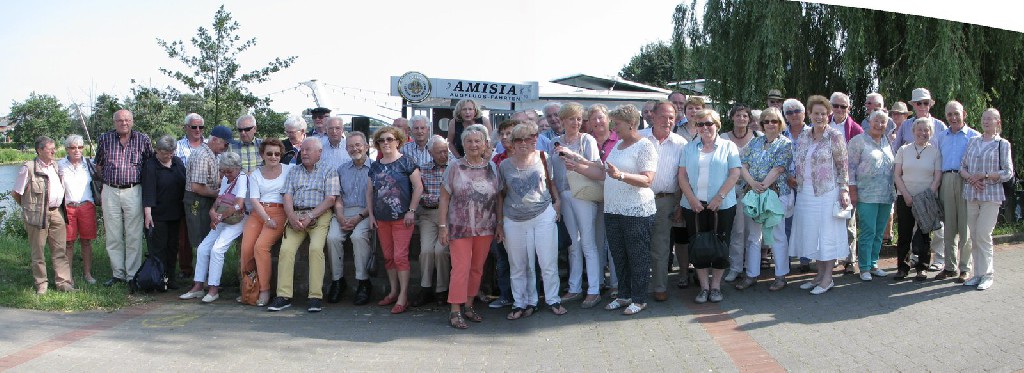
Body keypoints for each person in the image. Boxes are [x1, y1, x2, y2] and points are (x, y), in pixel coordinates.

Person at [565, 105, 656, 315]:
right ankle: (624, 295)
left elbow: (648, 179)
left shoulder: (645, 146)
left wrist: (621, 176)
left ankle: (639, 298)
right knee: (618, 254)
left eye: (617, 124)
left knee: (638, 255)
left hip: (637, 210)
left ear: (631, 124)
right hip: (613, 209)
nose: (614, 128)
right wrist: (579, 162)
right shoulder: (619, 145)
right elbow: (604, 171)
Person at [498, 122, 565, 319]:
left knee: (547, 261)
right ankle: (522, 303)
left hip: (542, 214)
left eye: (527, 139)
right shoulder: (504, 165)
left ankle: (553, 299)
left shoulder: (544, 158)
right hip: (514, 218)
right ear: (511, 143)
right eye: (518, 139)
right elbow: (500, 195)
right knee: (518, 264)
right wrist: (500, 222)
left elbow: (551, 183)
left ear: (534, 140)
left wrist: (557, 203)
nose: (523, 143)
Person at [267, 138, 339, 313]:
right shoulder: (294, 171)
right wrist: (291, 216)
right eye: (303, 150)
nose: (304, 153)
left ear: (319, 153)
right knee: (286, 250)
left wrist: (311, 216)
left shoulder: (330, 170)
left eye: (308, 150)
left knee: (315, 249)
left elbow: (330, 198)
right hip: (296, 215)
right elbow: (287, 196)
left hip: (319, 215)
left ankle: (315, 297)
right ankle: (283, 296)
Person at [677, 109, 741, 303]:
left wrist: (719, 198)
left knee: (721, 245)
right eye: (700, 124)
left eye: (709, 123)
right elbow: (682, 176)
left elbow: (734, 174)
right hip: (694, 206)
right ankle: (704, 287)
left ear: (717, 125)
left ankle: (716, 287)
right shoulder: (688, 148)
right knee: (698, 245)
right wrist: (692, 200)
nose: (705, 128)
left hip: (722, 206)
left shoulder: (729, 146)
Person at [439, 124, 500, 329]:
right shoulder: (454, 167)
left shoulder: (492, 167)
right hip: (460, 227)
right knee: (461, 268)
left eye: (477, 141)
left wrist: (499, 224)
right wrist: (442, 225)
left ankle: (469, 305)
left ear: (484, 144)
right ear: (463, 144)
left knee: (476, 269)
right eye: (469, 141)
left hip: (486, 227)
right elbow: (445, 198)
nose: (473, 145)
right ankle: (455, 310)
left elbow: (499, 198)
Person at [790, 95, 851, 295]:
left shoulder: (834, 136)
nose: (819, 117)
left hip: (827, 192)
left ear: (829, 115)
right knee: (812, 234)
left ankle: (827, 278)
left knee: (827, 235)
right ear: (809, 114)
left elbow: (843, 166)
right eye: (816, 113)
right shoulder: (805, 136)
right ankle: (818, 276)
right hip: (806, 191)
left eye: (823, 114)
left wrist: (843, 189)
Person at [547, 102, 602, 308]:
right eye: (572, 118)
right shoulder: (554, 142)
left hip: (583, 193)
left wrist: (576, 161)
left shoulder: (587, 139)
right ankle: (574, 287)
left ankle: (594, 290)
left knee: (588, 242)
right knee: (573, 244)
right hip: (564, 193)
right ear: (562, 120)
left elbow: (596, 166)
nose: (576, 123)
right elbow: (551, 173)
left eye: (579, 119)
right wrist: (556, 198)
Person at [178, 152, 248, 303]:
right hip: (223, 216)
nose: (226, 174)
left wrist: (219, 216)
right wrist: (212, 212)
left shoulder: (242, 178)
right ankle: (197, 286)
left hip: (237, 219)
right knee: (203, 248)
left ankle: (213, 288)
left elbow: (239, 204)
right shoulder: (226, 179)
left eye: (229, 171)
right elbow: (219, 199)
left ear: (237, 168)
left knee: (217, 249)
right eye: (223, 171)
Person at [735, 108, 792, 291]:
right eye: (766, 121)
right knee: (754, 236)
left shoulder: (785, 144)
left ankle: (781, 276)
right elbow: (742, 165)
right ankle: (751, 274)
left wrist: (763, 186)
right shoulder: (755, 142)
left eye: (774, 121)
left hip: (775, 194)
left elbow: (778, 169)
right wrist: (753, 184)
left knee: (777, 235)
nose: (770, 124)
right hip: (755, 193)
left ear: (780, 123)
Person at [367, 127, 423, 314]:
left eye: (389, 139)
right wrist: (371, 215)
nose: (385, 143)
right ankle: (393, 291)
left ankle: (403, 296)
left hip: (402, 218)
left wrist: (411, 210)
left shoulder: (406, 162)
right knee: (389, 257)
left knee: (400, 257)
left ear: (398, 141)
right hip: (382, 219)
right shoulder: (375, 165)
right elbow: (369, 192)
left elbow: (418, 187)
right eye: (381, 140)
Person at [95, 109, 154, 287]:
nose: (124, 123)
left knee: (134, 234)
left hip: (134, 190)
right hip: (110, 190)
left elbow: (149, 167)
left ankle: (132, 275)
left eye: (127, 120)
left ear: (132, 121)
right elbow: (98, 165)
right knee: (113, 234)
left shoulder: (142, 140)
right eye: (120, 120)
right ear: (114, 122)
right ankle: (118, 274)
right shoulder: (104, 139)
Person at [635, 101, 687, 300]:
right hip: (638, 198)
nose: (668, 121)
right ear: (653, 117)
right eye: (664, 116)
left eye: (672, 117)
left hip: (666, 200)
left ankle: (659, 287)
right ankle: (637, 287)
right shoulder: (639, 139)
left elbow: (683, 178)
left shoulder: (681, 144)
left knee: (661, 246)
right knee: (638, 245)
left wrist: (679, 205)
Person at [892, 88, 947, 271]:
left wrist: (932, 190)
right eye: (918, 103)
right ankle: (908, 263)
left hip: (930, 185)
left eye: (925, 102)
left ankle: (938, 259)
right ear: (913, 105)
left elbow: (944, 153)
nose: (922, 106)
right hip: (907, 187)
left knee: (931, 228)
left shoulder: (940, 125)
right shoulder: (906, 125)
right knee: (907, 231)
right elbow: (896, 147)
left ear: (930, 104)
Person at [959, 108, 1013, 290]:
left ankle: (988, 274)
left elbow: (1008, 172)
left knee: (983, 233)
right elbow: (962, 166)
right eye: (984, 118)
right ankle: (978, 273)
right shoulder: (973, 141)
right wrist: (971, 178)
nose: (986, 122)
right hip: (972, 193)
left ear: (998, 122)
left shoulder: (1002, 144)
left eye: (990, 119)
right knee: (974, 235)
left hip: (991, 194)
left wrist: (986, 175)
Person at [13, 136, 74, 294]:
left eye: (54, 148)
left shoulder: (54, 166)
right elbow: (16, 193)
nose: (54, 151)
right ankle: (41, 284)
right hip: (37, 215)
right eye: (50, 148)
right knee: (38, 252)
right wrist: (29, 208)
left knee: (60, 250)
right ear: (39, 150)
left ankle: (64, 283)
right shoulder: (29, 168)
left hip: (57, 213)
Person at [239, 137, 292, 306]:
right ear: (262, 155)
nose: (273, 157)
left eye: (277, 153)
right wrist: (266, 219)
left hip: (279, 211)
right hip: (259, 212)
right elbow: (254, 200)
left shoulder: (289, 170)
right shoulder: (256, 174)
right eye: (269, 153)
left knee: (260, 247)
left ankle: (264, 290)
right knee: (246, 249)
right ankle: (249, 289)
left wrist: (271, 219)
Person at [326, 132, 374, 305]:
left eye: (358, 145)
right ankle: (338, 281)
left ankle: (363, 281)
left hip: (366, 211)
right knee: (332, 237)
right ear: (346, 150)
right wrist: (339, 215)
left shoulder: (375, 168)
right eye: (351, 146)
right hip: (343, 211)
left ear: (366, 147)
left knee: (358, 237)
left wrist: (359, 217)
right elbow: (337, 197)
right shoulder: (342, 169)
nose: (355, 149)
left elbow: (375, 200)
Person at [848, 110, 896, 281]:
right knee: (868, 231)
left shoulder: (887, 142)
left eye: (883, 122)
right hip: (866, 194)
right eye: (876, 121)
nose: (879, 125)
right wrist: (852, 191)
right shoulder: (858, 141)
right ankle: (864, 267)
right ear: (869, 121)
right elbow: (850, 168)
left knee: (879, 232)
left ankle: (874, 264)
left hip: (886, 194)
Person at [936, 101, 980, 282]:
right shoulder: (941, 137)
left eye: (956, 114)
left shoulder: (974, 136)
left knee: (965, 227)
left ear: (964, 114)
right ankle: (949, 267)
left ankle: (965, 268)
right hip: (946, 180)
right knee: (949, 227)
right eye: (949, 114)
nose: (953, 118)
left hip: (966, 181)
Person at [183, 125, 232, 276]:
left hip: (205, 199)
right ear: (215, 140)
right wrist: (218, 195)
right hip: (198, 200)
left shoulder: (211, 154)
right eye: (225, 144)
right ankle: (202, 280)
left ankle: (207, 278)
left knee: (206, 237)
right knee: (202, 240)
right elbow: (197, 187)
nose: (226, 147)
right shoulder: (202, 156)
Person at [720, 104, 761, 283]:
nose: (741, 119)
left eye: (745, 116)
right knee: (736, 230)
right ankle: (735, 267)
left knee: (753, 232)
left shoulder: (758, 138)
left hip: (752, 190)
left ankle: (751, 268)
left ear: (749, 119)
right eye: (738, 115)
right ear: (732, 117)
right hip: (730, 190)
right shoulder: (723, 138)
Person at [141, 135, 187, 290]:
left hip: (175, 212)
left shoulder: (178, 163)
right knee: (159, 248)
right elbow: (148, 190)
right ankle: (158, 279)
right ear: (157, 151)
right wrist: (148, 213)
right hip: (158, 214)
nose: (169, 154)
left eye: (171, 151)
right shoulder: (151, 165)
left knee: (173, 247)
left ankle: (170, 279)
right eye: (166, 152)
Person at [411, 135, 451, 307]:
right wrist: (440, 198)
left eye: (445, 151)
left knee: (441, 251)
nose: (444, 155)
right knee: (426, 250)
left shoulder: (454, 167)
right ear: (430, 153)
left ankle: (442, 289)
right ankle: (425, 287)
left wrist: (440, 199)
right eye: (439, 152)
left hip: (449, 215)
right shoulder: (424, 169)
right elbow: (419, 193)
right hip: (428, 214)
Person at [586, 103, 620, 296]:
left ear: (608, 119)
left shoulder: (619, 140)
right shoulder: (587, 141)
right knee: (597, 242)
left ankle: (616, 282)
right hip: (593, 197)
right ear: (589, 123)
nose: (598, 122)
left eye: (601, 117)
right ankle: (598, 281)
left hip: (615, 197)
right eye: (593, 119)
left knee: (614, 242)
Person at [830, 92, 864, 273]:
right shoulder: (822, 125)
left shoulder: (856, 130)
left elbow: (861, 159)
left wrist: (854, 185)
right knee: (830, 220)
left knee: (849, 222)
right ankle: (832, 256)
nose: (839, 110)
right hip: (827, 181)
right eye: (836, 105)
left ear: (848, 109)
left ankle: (850, 259)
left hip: (848, 181)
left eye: (843, 107)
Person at [486, 119, 518, 309]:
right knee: (503, 257)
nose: (505, 137)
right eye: (502, 134)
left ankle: (530, 295)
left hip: (524, 214)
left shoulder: (530, 156)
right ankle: (506, 295)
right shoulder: (496, 160)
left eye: (509, 133)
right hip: (501, 215)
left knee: (526, 258)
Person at [58, 135, 97, 285]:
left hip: (86, 206)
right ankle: (68, 276)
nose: (77, 151)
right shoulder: (60, 165)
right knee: (68, 243)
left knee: (86, 241)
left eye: (80, 147)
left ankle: (87, 273)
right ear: (67, 149)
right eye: (73, 147)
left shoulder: (89, 163)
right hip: (69, 207)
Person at [782, 98, 813, 273]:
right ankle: (785, 258)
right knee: (787, 221)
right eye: (789, 112)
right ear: (785, 116)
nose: (793, 115)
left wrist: (801, 177)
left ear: (804, 113)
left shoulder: (812, 133)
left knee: (806, 221)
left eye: (796, 111)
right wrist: (788, 176)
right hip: (786, 183)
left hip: (806, 184)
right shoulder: (781, 135)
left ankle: (805, 258)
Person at [175, 113, 206, 279]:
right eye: (194, 127)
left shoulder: (209, 145)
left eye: (201, 127)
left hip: (206, 194)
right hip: (183, 193)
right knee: (184, 233)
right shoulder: (178, 146)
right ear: (186, 127)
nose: (198, 130)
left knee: (205, 231)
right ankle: (186, 269)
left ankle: (205, 269)